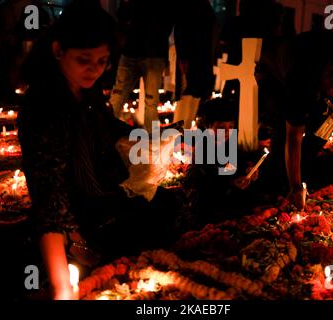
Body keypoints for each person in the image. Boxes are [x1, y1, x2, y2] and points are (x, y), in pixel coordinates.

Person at [18, 6, 182, 300]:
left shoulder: (86, 91)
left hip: (100, 199)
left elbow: (106, 126)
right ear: (58, 50)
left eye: (102, 61)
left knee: (167, 206)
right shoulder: (44, 107)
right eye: (84, 60)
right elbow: (49, 194)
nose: (94, 69)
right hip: (73, 217)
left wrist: (149, 139)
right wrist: (62, 286)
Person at [258, 30, 333, 209]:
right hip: (273, 75)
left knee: (323, 121)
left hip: (311, 74)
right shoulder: (301, 79)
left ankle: (301, 167)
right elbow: (293, 137)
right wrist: (295, 186)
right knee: (283, 127)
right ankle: (274, 182)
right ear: (328, 73)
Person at [182, 98, 259, 228]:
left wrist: (248, 170)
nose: (227, 132)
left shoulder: (229, 143)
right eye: (221, 127)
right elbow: (209, 177)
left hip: (230, 198)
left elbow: (236, 163)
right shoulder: (203, 148)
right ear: (208, 126)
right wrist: (231, 182)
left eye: (231, 126)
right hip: (209, 203)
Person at [108, 0, 179, 133]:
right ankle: (105, 134)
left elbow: (123, 15)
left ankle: (105, 133)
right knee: (146, 100)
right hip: (146, 50)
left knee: (121, 95)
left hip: (144, 50)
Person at [173, 0, 217, 129]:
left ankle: (191, 125)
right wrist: (182, 56)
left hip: (204, 58)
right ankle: (181, 127)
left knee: (198, 92)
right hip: (191, 58)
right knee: (188, 93)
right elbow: (180, 30)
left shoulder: (206, 8)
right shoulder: (188, 7)